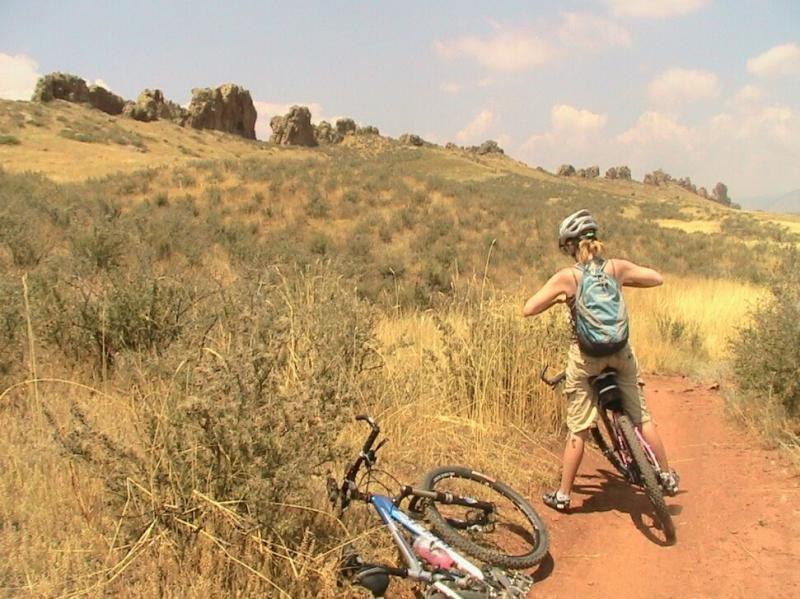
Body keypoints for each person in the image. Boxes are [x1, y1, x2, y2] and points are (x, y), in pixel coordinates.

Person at [522, 209, 679, 511]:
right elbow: (657, 278)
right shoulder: (616, 268)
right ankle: (667, 476)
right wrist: (624, 282)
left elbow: (528, 309)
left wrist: (559, 298)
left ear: (570, 246)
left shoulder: (568, 277)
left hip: (586, 359)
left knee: (578, 428)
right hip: (621, 354)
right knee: (642, 418)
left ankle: (564, 495)